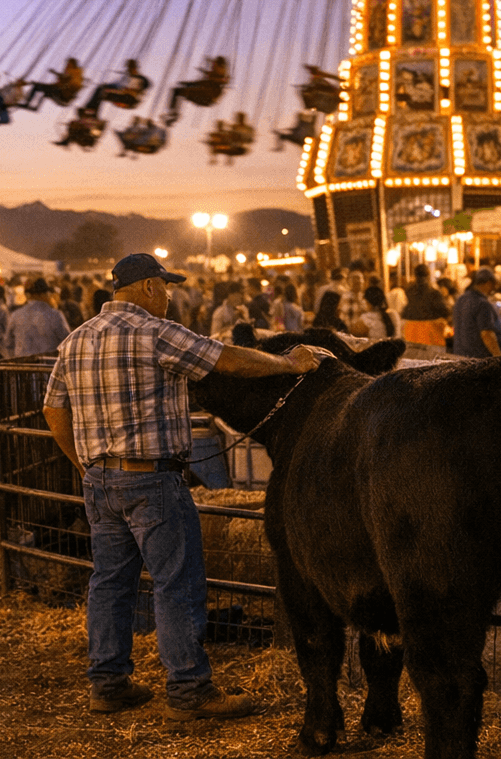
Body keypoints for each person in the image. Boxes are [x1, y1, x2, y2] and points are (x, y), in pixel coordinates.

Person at [42, 253, 323, 717]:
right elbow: (225, 360)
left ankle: (108, 683)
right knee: (177, 582)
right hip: (152, 479)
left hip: (101, 479)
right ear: (150, 287)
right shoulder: (155, 333)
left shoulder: (75, 340)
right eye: (166, 288)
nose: (170, 297)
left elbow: (54, 409)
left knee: (110, 582)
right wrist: (287, 363)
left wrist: (83, 464)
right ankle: (189, 688)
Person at [4, 277, 70, 356]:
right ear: (43, 294)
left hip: (22, 365)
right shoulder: (55, 315)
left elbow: (8, 343)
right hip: (48, 365)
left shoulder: (15, 315)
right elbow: (68, 342)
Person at [452, 268, 501, 358]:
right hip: (479, 360)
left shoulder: (460, 299)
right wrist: (499, 357)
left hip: (460, 357)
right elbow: (487, 334)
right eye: (493, 286)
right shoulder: (482, 304)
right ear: (488, 283)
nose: (492, 290)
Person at [400, 267, 449, 348]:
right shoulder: (434, 293)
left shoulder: (408, 291)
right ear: (428, 276)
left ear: (415, 275)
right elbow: (444, 311)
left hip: (411, 332)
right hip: (431, 335)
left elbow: (404, 312)